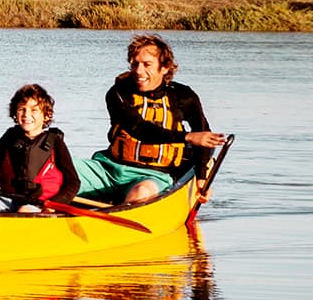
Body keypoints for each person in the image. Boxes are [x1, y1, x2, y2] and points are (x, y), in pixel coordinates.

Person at [74, 34, 228, 205]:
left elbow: (204, 138)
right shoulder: (118, 93)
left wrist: (201, 178)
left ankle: (122, 216)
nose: (139, 71)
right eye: (135, 64)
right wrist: (187, 137)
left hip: (154, 175)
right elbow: (138, 128)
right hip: (108, 169)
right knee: (55, 167)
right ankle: (51, 213)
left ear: (165, 67)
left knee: (141, 193)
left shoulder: (184, 96)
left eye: (147, 64)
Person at [0, 84, 79, 212]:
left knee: (24, 211)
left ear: (46, 115)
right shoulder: (9, 138)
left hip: (41, 205)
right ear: (15, 112)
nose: (26, 114)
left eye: (34, 110)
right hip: (9, 199)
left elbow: (73, 182)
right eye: (22, 109)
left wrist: (54, 205)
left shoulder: (55, 142)